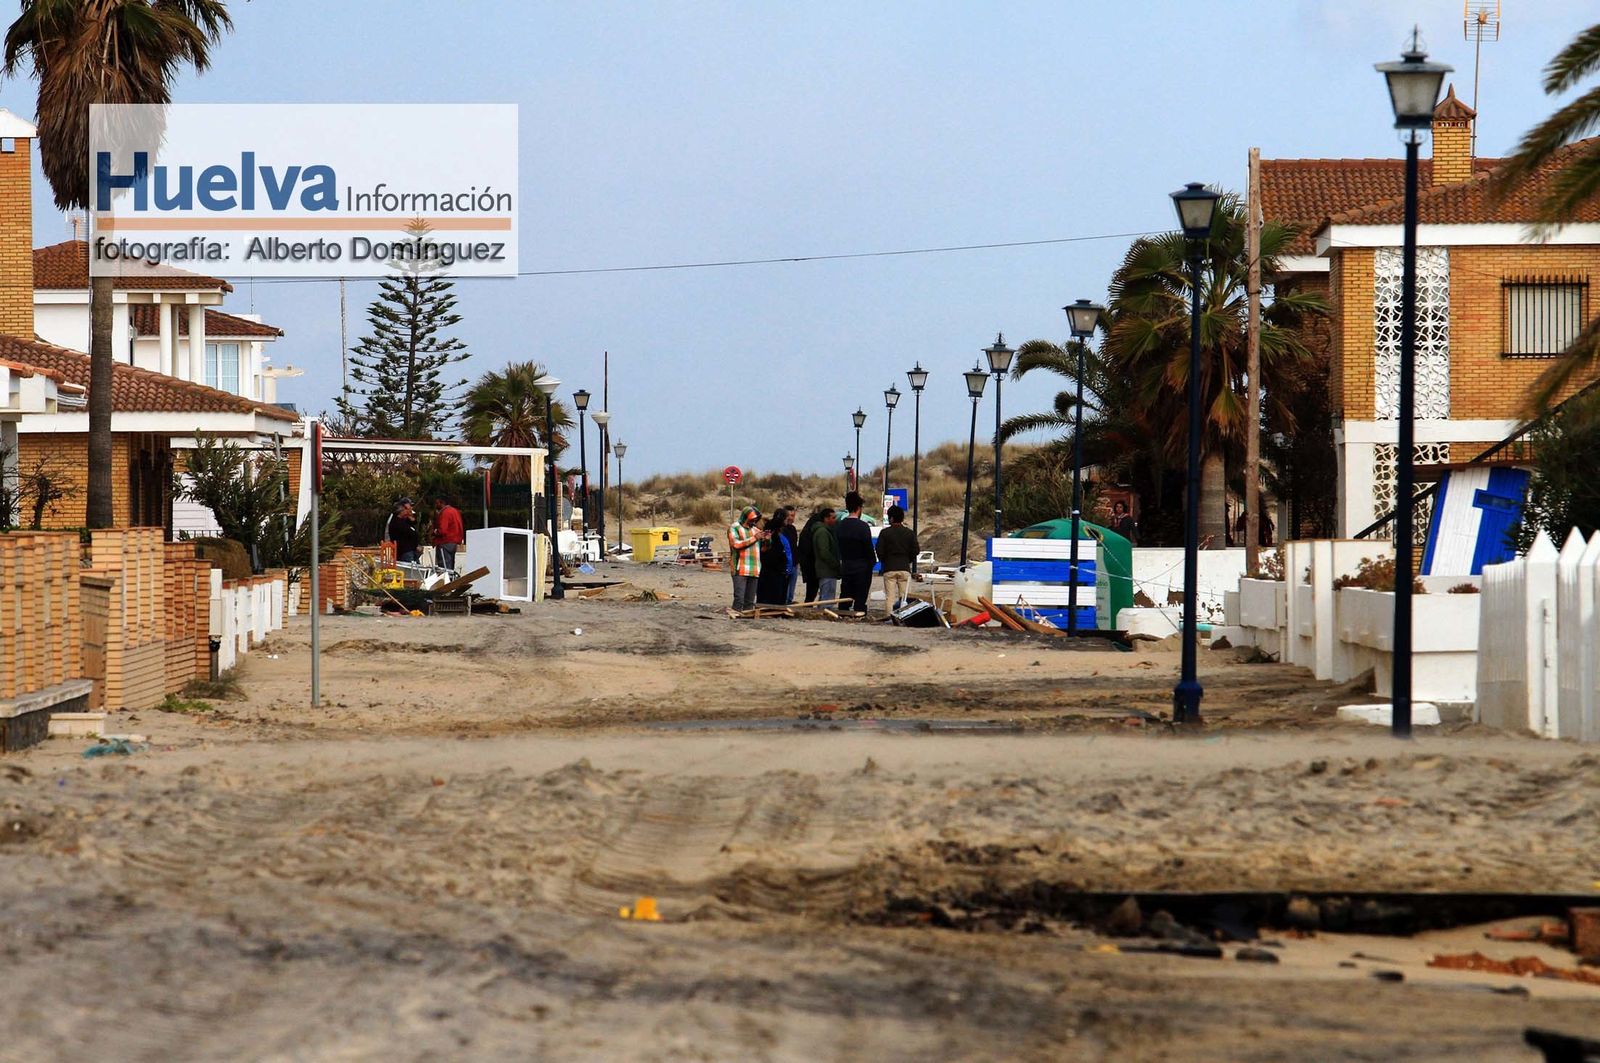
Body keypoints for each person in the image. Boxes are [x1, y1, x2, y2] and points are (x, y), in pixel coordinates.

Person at [835, 491, 875, 615]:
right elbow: (868, 548)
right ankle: (859, 613)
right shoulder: (863, 526)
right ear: (859, 508)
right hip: (862, 566)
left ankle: (843, 612)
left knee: (845, 593)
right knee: (860, 596)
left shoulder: (841, 525)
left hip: (846, 564)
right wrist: (871, 562)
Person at [875, 504, 918, 612]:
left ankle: (889, 616)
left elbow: (879, 550)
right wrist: (908, 559)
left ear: (891, 518)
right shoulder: (910, 533)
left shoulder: (885, 533)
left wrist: (884, 560)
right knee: (904, 597)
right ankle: (904, 615)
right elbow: (916, 550)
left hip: (889, 568)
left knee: (890, 597)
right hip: (904, 567)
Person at [727, 505, 768, 614]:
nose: (754, 521)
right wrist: (755, 538)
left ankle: (747, 621)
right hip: (739, 567)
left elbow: (763, 549)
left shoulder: (755, 530)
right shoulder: (734, 527)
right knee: (739, 598)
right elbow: (736, 544)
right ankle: (735, 617)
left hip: (754, 568)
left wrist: (767, 540)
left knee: (750, 601)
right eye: (752, 519)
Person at [757, 507, 791, 605]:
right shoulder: (771, 532)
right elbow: (768, 550)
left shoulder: (780, 532)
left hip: (777, 569)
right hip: (772, 569)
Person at [812, 508, 841, 605]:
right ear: (826, 519)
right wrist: (835, 563)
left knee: (828, 595)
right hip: (826, 570)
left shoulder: (827, 531)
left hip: (828, 570)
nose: (835, 520)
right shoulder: (822, 532)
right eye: (833, 518)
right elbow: (824, 552)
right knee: (826, 596)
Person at [797, 507, 826, 602]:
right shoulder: (813, 532)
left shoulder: (806, 532)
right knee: (812, 591)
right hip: (812, 566)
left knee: (811, 591)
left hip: (808, 565)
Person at [431, 498, 464, 571]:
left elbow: (442, 530)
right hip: (454, 542)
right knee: (450, 565)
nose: (435, 505)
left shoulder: (445, 513)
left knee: (444, 567)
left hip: (445, 541)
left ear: (441, 503)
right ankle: (451, 580)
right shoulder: (455, 511)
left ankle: (446, 581)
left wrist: (434, 532)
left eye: (437, 503)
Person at [384, 498, 420, 564]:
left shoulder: (406, 520)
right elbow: (409, 533)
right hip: (405, 552)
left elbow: (414, 523)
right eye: (407, 509)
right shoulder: (396, 522)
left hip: (412, 550)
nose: (409, 512)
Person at [782, 508, 801, 604]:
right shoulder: (781, 529)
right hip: (785, 563)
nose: (790, 518)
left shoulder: (793, 529)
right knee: (785, 587)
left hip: (794, 562)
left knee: (791, 589)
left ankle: (789, 602)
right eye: (788, 515)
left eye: (792, 516)